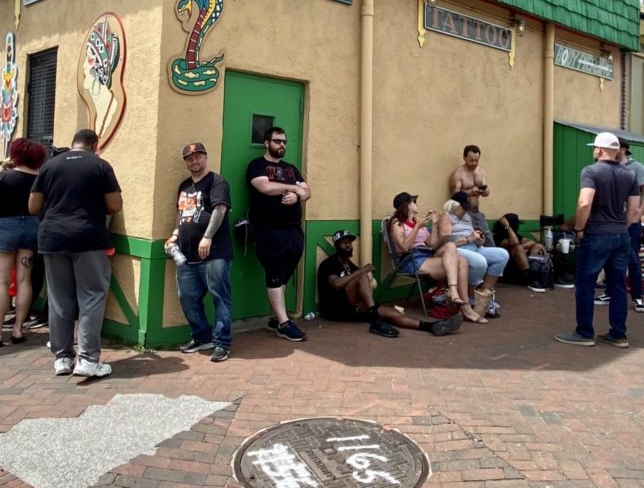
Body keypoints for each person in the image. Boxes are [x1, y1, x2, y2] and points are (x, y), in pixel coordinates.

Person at [30, 129, 122, 378]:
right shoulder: (100, 165)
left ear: (73, 144)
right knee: (91, 296)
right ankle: (88, 359)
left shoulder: (50, 166)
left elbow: (33, 205)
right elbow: (115, 205)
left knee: (60, 297)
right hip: (88, 237)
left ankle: (62, 358)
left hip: (52, 238)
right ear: (94, 145)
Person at [556, 131, 640, 348]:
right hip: (621, 234)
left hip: (597, 234)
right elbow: (633, 208)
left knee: (586, 283)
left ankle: (584, 332)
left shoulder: (590, 171)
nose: (593, 150)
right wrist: (623, 226)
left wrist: (578, 228)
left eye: (594, 147)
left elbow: (585, 203)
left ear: (600, 150)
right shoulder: (630, 175)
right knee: (618, 285)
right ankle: (618, 333)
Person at [317, 229, 461, 337]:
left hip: (353, 309)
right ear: (336, 246)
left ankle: (430, 326)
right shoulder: (328, 264)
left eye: (350, 242)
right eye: (344, 243)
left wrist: (363, 302)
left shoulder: (350, 265)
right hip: (335, 310)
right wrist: (362, 270)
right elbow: (337, 284)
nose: (348, 245)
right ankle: (375, 318)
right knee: (362, 276)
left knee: (390, 312)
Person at [0, 137, 46, 348]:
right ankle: (18, 329)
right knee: (25, 280)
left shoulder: (2, 178)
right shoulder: (40, 180)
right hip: (32, 227)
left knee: (2, 282)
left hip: (6, 227)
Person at [167, 142, 235, 363]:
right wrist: (175, 234)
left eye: (198, 157)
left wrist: (207, 237)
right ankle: (201, 336)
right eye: (189, 158)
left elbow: (220, 209)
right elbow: (182, 214)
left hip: (215, 253)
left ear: (205, 158)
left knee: (220, 297)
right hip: (186, 256)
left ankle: (222, 343)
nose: (194, 161)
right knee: (187, 297)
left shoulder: (217, 182)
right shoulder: (184, 185)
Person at [246, 125, 310, 342]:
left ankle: (275, 318)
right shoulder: (257, 165)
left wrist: (299, 197)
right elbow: (264, 188)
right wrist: (292, 189)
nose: (282, 145)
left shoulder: (292, 168)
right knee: (274, 273)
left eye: (284, 142)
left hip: (294, 230)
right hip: (268, 230)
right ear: (267, 143)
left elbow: (307, 190)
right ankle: (283, 323)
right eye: (277, 141)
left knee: (284, 274)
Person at [385, 192, 479, 321]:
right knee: (460, 262)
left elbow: (432, 244)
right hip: (411, 259)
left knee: (452, 248)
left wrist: (434, 224)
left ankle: (457, 296)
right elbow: (404, 247)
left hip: (427, 255)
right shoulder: (397, 222)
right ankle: (464, 306)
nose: (416, 204)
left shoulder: (416, 221)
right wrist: (417, 227)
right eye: (414, 202)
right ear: (406, 205)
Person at [443, 192, 507, 318]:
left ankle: (484, 295)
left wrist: (479, 238)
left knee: (502, 255)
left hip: (475, 247)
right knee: (480, 262)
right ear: (454, 205)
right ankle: (471, 297)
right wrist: (468, 239)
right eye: (463, 207)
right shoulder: (446, 217)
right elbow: (446, 242)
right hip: (458, 250)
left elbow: (473, 234)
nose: (465, 211)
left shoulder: (467, 217)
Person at [617, 140, 644, 312]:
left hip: (630, 223)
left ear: (623, 149)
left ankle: (638, 297)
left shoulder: (636, 168)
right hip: (611, 221)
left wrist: (637, 217)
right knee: (612, 259)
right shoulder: (605, 166)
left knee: (632, 259)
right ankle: (612, 291)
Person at [492, 211, 549, 291]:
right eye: (517, 225)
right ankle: (530, 278)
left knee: (538, 246)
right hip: (508, 269)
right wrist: (507, 227)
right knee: (518, 248)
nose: (518, 227)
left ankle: (544, 273)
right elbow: (514, 243)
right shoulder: (499, 237)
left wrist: (523, 247)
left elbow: (532, 242)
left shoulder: (515, 235)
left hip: (519, 264)